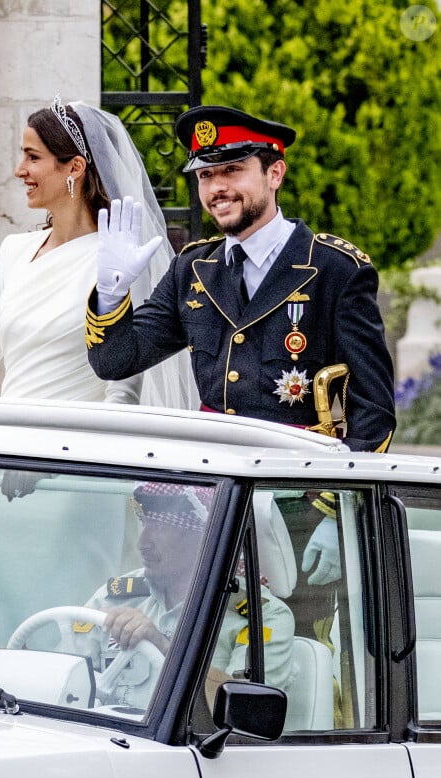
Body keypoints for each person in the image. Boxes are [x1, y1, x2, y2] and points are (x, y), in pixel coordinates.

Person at [86, 104, 396, 454]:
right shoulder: (191, 268)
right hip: (213, 473)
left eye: (232, 170)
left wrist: (325, 498)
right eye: (205, 175)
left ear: (275, 174)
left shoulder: (335, 270)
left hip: (297, 481)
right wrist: (111, 292)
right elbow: (116, 362)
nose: (217, 187)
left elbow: (374, 410)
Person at [0, 98, 197, 409]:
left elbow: (122, 389)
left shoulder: (117, 258)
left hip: (75, 446)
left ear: (74, 167)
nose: (19, 170)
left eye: (33, 157)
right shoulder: (14, 251)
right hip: (7, 440)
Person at [66, 481, 295, 710]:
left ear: (204, 538)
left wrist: (165, 647)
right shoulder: (114, 597)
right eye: (144, 524)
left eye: (161, 528)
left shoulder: (261, 616)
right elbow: (62, 677)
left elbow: (246, 713)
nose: (142, 543)